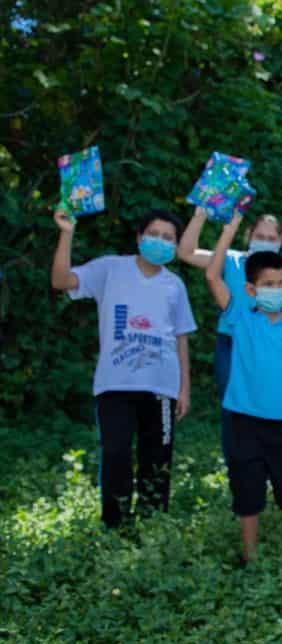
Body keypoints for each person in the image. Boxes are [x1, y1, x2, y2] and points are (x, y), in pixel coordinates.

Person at [50, 207, 196, 529]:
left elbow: (181, 338)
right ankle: (116, 527)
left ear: (175, 246)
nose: (160, 241)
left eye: (168, 238)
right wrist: (66, 232)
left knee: (157, 460)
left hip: (162, 387)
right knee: (116, 453)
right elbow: (61, 280)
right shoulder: (110, 269)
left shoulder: (175, 286)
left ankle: (153, 527)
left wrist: (183, 388)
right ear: (139, 237)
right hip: (115, 384)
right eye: (154, 234)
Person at [206, 211, 282, 564]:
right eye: (267, 285)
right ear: (252, 290)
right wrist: (229, 229)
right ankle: (250, 557)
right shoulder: (239, 317)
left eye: (281, 284)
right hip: (243, 420)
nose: (276, 290)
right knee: (247, 489)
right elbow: (212, 273)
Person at [176, 206, 282, 465]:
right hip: (232, 346)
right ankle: (238, 465)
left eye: (271, 238)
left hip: (270, 348)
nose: (265, 242)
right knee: (233, 407)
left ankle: (268, 460)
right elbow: (185, 253)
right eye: (260, 236)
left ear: (280, 242)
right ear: (248, 235)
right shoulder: (231, 260)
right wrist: (200, 214)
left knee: (269, 400)